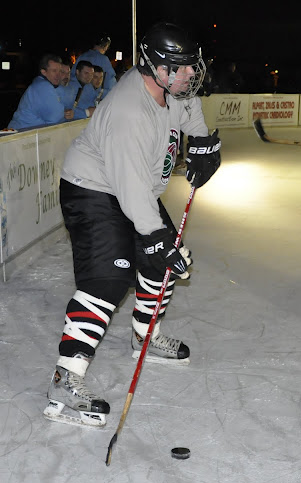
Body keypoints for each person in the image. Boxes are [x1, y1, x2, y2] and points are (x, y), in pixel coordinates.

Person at [43, 22, 221, 428]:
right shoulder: (129, 111)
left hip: (133, 188)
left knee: (164, 263)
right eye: (182, 68)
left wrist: (201, 141)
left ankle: (145, 335)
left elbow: (188, 105)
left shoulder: (171, 86)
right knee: (107, 281)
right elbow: (131, 186)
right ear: (156, 68)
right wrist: (156, 237)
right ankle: (64, 379)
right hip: (93, 188)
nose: (190, 75)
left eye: (191, 66)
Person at [7, 54, 68, 130]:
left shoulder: (41, 83)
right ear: (44, 72)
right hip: (22, 134)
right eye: (54, 71)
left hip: (22, 131)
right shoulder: (43, 86)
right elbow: (56, 118)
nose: (58, 75)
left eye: (60, 71)